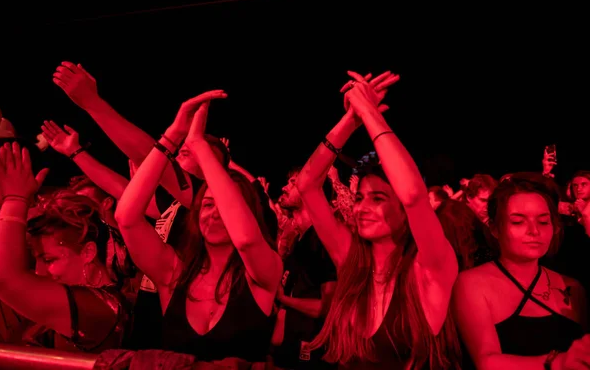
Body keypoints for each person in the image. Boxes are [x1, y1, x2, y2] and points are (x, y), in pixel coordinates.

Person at [297, 71, 458, 369]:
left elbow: (412, 195)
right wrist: (350, 121)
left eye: (378, 198)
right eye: (360, 198)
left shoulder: (431, 266)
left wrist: (369, 112)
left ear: (404, 212)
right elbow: (307, 184)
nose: (362, 208)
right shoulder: (351, 260)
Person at [115, 91, 282, 362]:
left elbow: (246, 241)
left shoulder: (264, 274)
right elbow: (126, 218)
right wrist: (172, 135)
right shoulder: (174, 274)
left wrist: (198, 145)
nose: (214, 214)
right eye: (206, 205)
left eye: (224, 205)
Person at [0, 142, 130, 352]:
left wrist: (15, 199)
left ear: (88, 252)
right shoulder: (73, 296)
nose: (38, 271)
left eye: (49, 260)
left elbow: (1, 277)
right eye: (37, 260)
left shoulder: (104, 309)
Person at [453, 173, 589, 369]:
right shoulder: (472, 283)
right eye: (518, 222)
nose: (534, 231)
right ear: (494, 228)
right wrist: (558, 362)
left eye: (543, 222)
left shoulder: (573, 288)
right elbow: (487, 362)